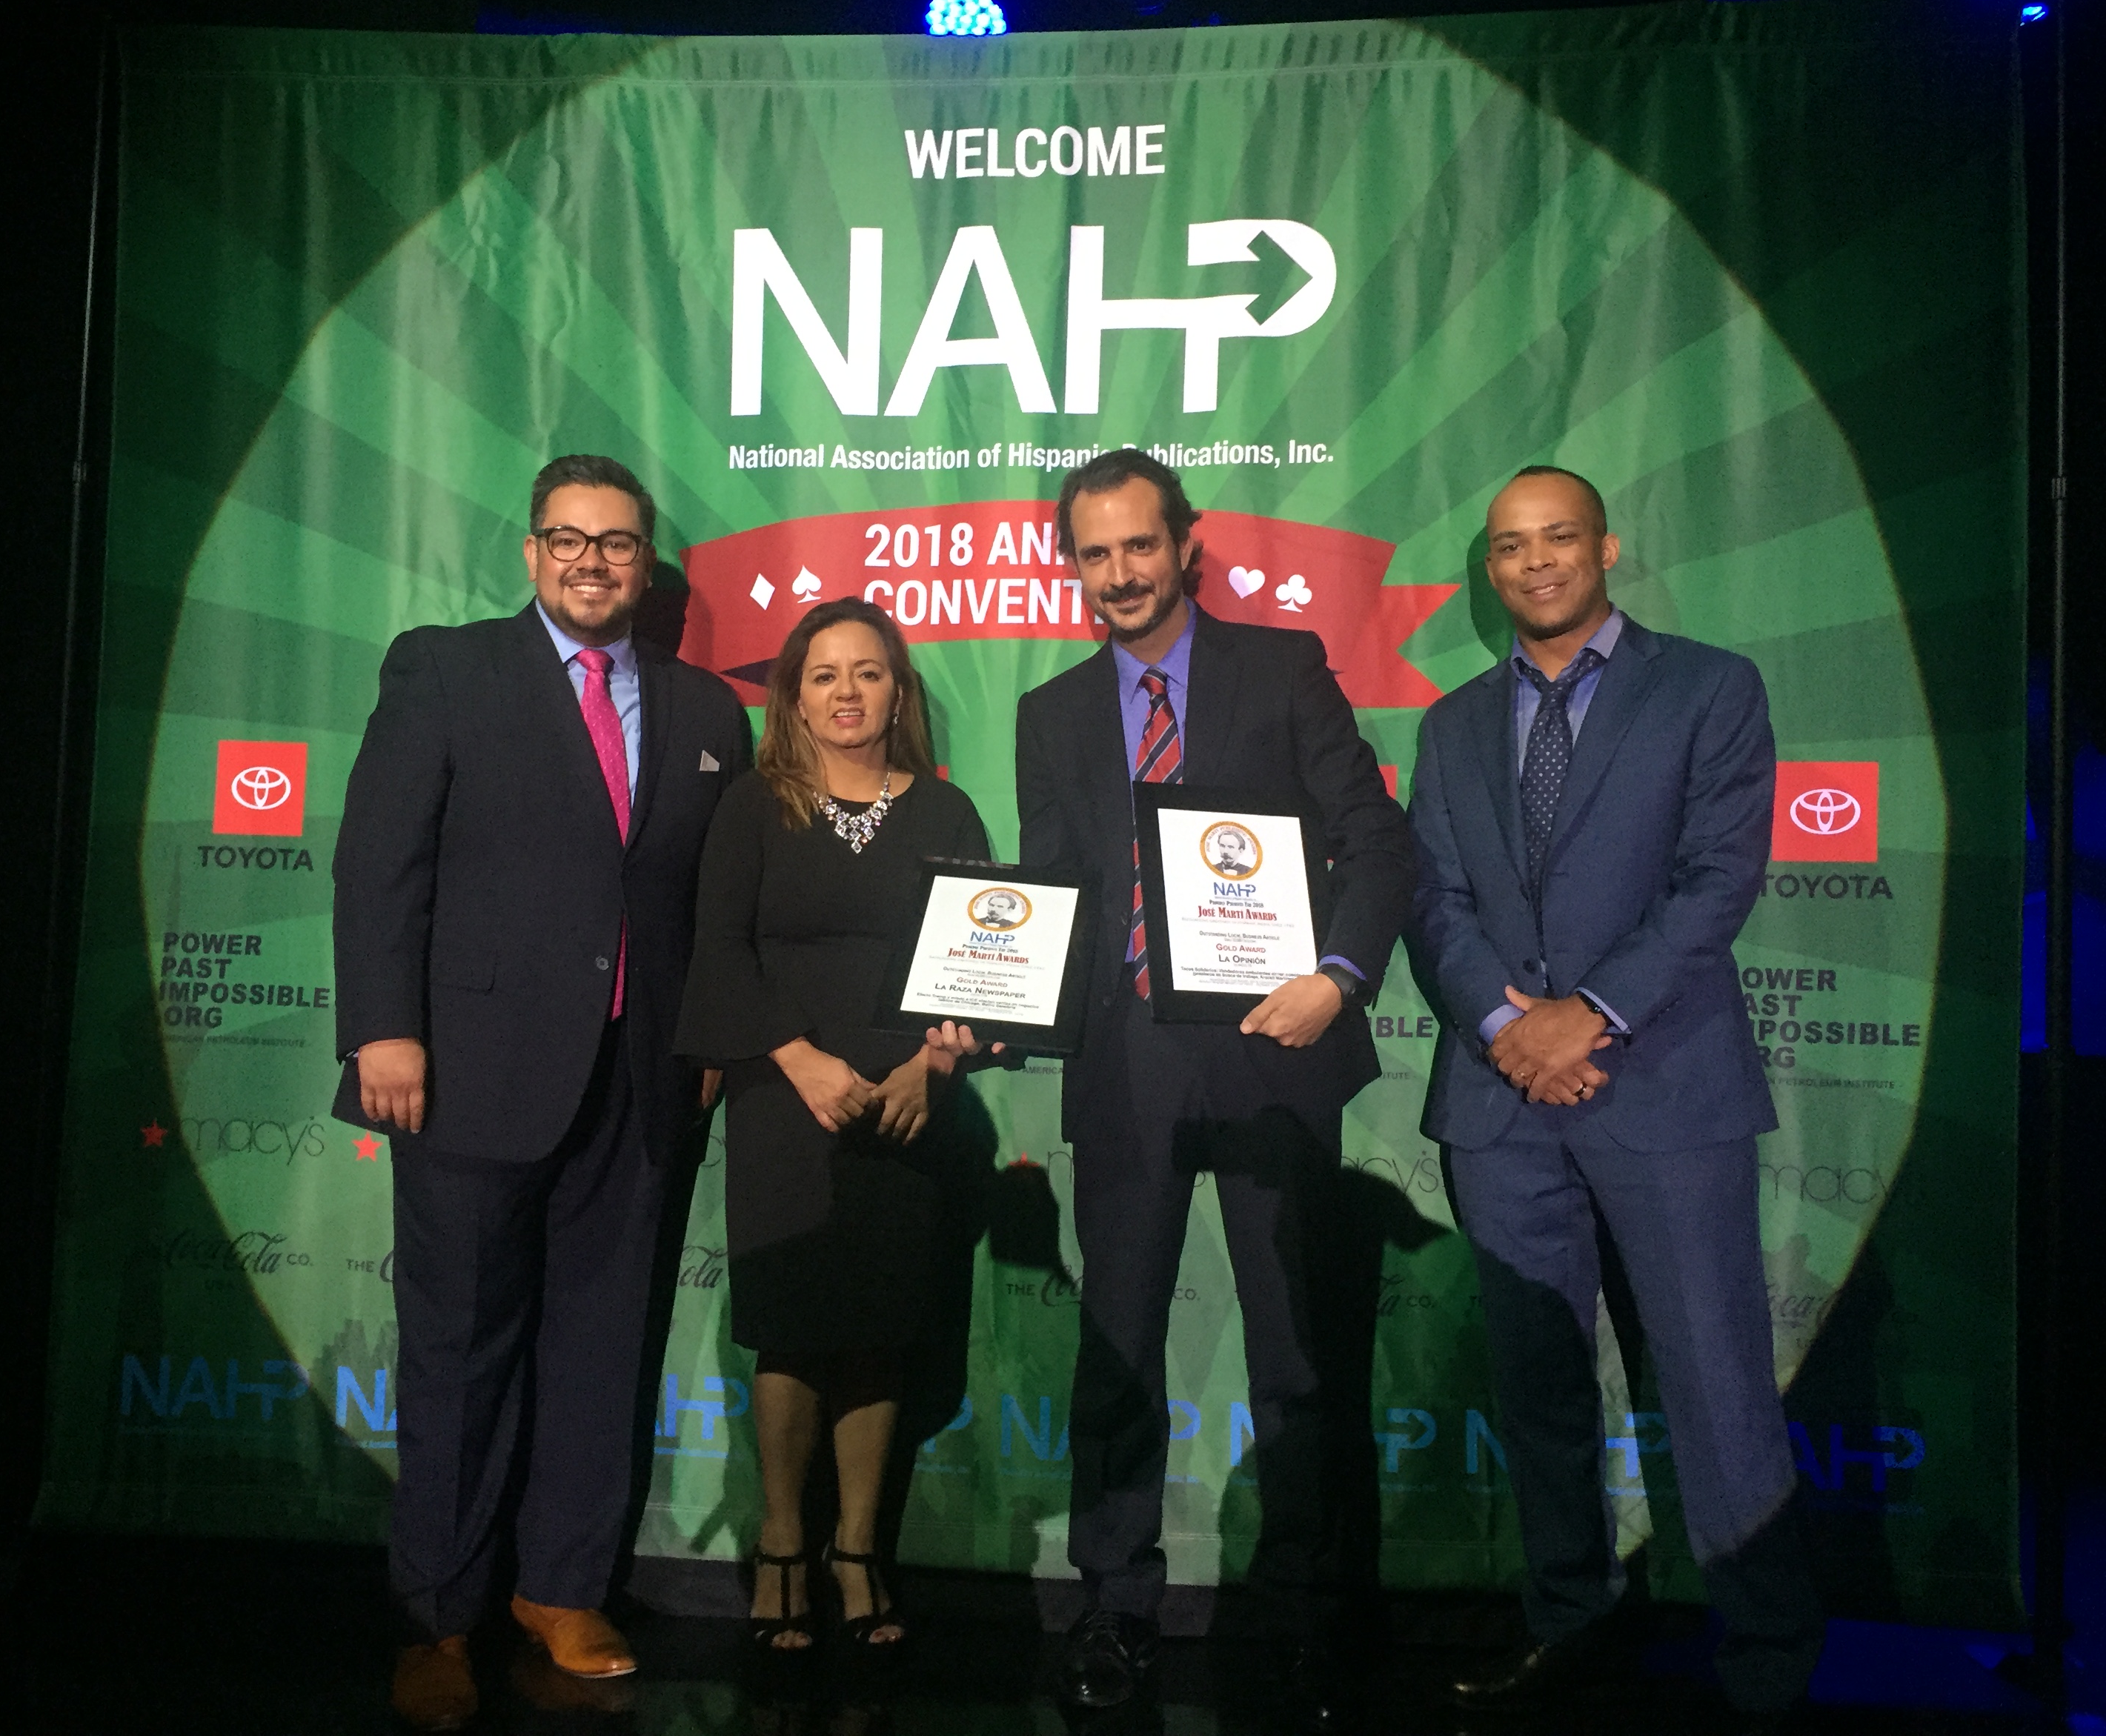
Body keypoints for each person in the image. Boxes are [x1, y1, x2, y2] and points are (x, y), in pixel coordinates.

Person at [937, 450, 1413, 1723]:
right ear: (1072, 566)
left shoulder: (1283, 664)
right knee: (1119, 1348)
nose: (1119, 575)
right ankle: (1115, 1602)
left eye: (1139, 547)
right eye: (1093, 555)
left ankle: (1308, 1614)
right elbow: (1060, 897)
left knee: (1298, 1358)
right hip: (1128, 1060)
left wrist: (1341, 972)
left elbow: (1375, 838)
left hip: (1279, 1045)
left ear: (1186, 544)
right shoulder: (1053, 711)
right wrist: (994, 1008)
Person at [332, 454, 752, 1732]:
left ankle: (563, 1593)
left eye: (616, 544)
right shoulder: (446, 669)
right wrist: (384, 1032)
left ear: (645, 564)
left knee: (600, 1347)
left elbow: (707, 906)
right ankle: (443, 1614)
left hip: (640, 1084)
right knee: (460, 1352)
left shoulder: (706, 714)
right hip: (464, 1079)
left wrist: (712, 1038)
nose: (590, 562)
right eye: (566, 540)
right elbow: (376, 862)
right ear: (529, 553)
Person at [1404, 466, 1822, 1723]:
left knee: (1713, 1383)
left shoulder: (1708, 688)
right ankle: (1570, 1628)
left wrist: (1580, 1017)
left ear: (1606, 549)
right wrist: (1504, 1024)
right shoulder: (1452, 723)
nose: (1536, 564)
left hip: (1662, 1090)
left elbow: (1715, 879)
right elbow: (1434, 900)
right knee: (1539, 1391)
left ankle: (1766, 1664)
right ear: (1491, 568)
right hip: (1499, 1102)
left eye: (1559, 540)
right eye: (1511, 547)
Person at [673, 597, 997, 1658]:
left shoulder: (948, 812)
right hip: (783, 1098)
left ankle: (858, 1549)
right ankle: (781, 1542)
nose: (848, 693)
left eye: (869, 673)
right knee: (795, 1327)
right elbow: (718, 951)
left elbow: (985, 967)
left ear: (897, 692)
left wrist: (933, 1064)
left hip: (909, 1105)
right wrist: (799, 1059)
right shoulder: (754, 809)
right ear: (794, 696)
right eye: (825, 675)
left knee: (880, 1329)